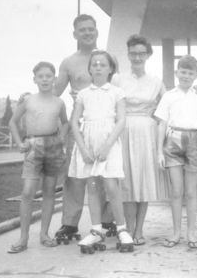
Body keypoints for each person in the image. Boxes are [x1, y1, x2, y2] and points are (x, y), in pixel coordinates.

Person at [53, 14, 115, 241]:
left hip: (105, 126)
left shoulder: (108, 58)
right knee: (75, 176)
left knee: (106, 173)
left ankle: (108, 221)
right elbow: (54, 94)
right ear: (75, 34)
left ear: (97, 31)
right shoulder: (68, 62)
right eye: (83, 30)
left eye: (91, 29)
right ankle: (70, 224)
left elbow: (118, 89)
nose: (88, 33)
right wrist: (29, 101)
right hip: (78, 127)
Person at [68, 50, 134, 253]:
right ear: (89, 68)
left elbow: (121, 120)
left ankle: (122, 228)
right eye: (94, 64)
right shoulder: (83, 94)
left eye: (102, 64)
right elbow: (74, 122)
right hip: (88, 144)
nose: (97, 67)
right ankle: (96, 230)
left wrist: (107, 146)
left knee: (112, 186)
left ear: (110, 69)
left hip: (109, 144)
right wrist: (82, 148)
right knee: (93, 187)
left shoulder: (116, 92)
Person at [112, 34, 170, 246]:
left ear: (148, 55)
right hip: (123, 130)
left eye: (141, 53)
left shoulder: (156, 81)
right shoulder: (118, 79)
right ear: (128, 55)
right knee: (127, 181)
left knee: (143, 181)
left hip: (147, 133)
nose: (137, 57)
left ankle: (139, 229)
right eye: (133, 53)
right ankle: (127, 229)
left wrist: (195, 90)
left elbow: (169, 103)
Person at [155, 55, 197, 249]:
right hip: (173, 141)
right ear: (177, 72)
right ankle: (175, 233)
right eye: (183, 72)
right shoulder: (169, 95)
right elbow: (162, 124)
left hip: (195, 141)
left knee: (190, 192)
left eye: (190, 73)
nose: (186, 76)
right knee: (176, 191)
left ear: (196, 75)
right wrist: (159, 152)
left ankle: (192, 233)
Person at [8, 62, 68, 253]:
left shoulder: (59, 102)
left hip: (53, 147)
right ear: (34, 79)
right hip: (33, 147)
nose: (44, 79)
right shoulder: (29, 101)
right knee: (27, 192)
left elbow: (65, 123)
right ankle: (23, 239)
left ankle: (44, 235)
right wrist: (19, 143)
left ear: (54, 79)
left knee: (49, 191)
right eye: (41, 76)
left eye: (48, 76)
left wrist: (61, 138)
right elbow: (13, 122)